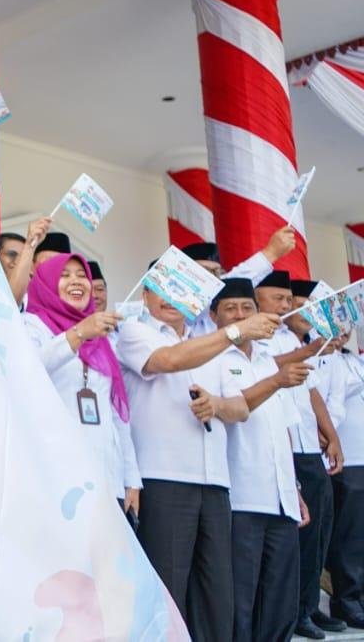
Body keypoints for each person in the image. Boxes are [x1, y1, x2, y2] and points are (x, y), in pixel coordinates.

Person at [116, 268, 278, 641]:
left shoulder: (214, 345)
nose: (170, 298)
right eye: (160, 288)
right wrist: (235, 331)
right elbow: (169, 361)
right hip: (164, 478)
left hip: (216, 483)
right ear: (144, 295)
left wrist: (217, 405)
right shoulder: (134, 332)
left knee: (216, 591)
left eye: (178, 289)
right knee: (169, 586)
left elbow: (240, 408)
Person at [213, 279, 311, 642]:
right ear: (214, 317)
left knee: (280, 600)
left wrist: (296, 490)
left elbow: (282, 431)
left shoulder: (270, 361)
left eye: (247, 308)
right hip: (241, 498)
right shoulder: (214, 361)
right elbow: (232, 411)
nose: (241, 315)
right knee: (241, 600)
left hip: (281, 499)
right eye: (230, 309)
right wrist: (276, 382)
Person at [253, 271, 345, 638]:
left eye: (287, 299)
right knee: (291, 542)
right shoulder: (262, 340)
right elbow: (276, 370)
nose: (285, 305)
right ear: (258, 301)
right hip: (282, 451)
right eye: (277, 299)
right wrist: (309, 350)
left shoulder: (293, 338)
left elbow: (312, 393)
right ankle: (292, 613)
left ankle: (309, 606)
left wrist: (332, 436)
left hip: (310, 449)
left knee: (318, 533)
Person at [22, 255, 140, 515]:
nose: (76, 281)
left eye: (81, 275)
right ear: (45, 284)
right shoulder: (31, 325)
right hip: (58, 475)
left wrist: (131, 479)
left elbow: (117, 414)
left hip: (108, 475)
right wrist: (77, 334)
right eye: (65, 275)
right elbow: (29, 372)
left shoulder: (100, 337)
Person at [182, 228, 297, 337]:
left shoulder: (219, 311)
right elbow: (228, 284)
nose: (212, 277)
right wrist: (271, 253)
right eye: (205, 270)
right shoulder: (176, 308)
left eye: (217, 272)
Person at [326, 327, 364, 628]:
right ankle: (346, 599)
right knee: (349, 535)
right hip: (348, 457)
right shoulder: (325, 359)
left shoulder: (354, 359)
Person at [0, 216, 50, 307]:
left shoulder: (34, 314)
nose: (19, 263)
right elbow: (9, 304)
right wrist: (29, 246)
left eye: (25, 258)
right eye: (12, 255)